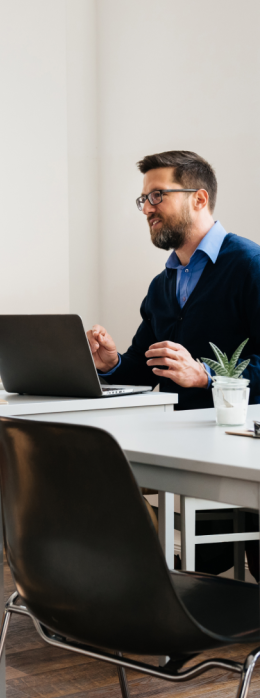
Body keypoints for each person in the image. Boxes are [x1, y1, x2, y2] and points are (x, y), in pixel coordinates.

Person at [87, 150, 260, 577]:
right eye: (144, 199)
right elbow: (146, 367)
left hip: (238, 449)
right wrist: (112, 362)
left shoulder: (250, 267)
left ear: (199, 199)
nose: (147, 208)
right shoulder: (163, 284)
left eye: (157, 196)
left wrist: (206, 375)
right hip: (181, 444)